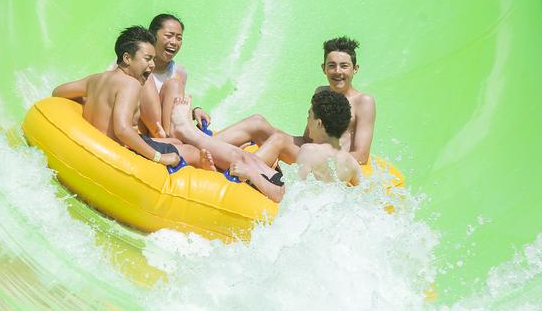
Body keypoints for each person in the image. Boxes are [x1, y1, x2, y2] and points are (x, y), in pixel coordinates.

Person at [52, 25, 215, 170]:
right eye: (148, 59)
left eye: (153, 59)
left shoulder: (96, 79)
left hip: (95, 141)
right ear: (127, 58)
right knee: (193, 152)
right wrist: (160, 158)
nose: (152, 65)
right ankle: (210, 178)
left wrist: (88, 101)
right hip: (118, 153)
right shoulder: (131, 84)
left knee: (177, 143)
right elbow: (122, 130)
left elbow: (58, 91)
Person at [170, 91, 360, 203]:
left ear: (319, 124)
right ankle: (191, 136)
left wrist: (251, 174)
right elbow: (365, 191)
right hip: (309, 199)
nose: (307, 121)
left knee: (243, 158)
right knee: (251, 159)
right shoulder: (350, 161)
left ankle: (186, 130)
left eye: (309, 116)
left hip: (288, 197)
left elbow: (283, 196)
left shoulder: (310, 151)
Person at [213, 36, 374, 165]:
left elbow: (361, 155)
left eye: (344, 66)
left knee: (279, 140)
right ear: (323, 68)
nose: (337, 71)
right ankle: (202, 146)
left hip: (329, 162)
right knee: (257, 122)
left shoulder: (364, 102)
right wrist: (267, 138)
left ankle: (246, 171)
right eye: (332, 65)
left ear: (355, 69)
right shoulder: (321, 92)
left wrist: (325, 156)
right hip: (308, 151)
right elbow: (307, 139)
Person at [109, 14, 211, 138]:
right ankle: (166, 139)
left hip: (163, 131)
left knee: (174, 85)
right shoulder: (129, 61)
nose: (174, 42)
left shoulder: (179, 72)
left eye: (179, 38)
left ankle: (168, 138)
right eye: (168, 36)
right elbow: (106, 89)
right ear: (153, 36)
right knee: (145, 78)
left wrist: (195, 111)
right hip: (134, 128)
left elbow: (174, 107)